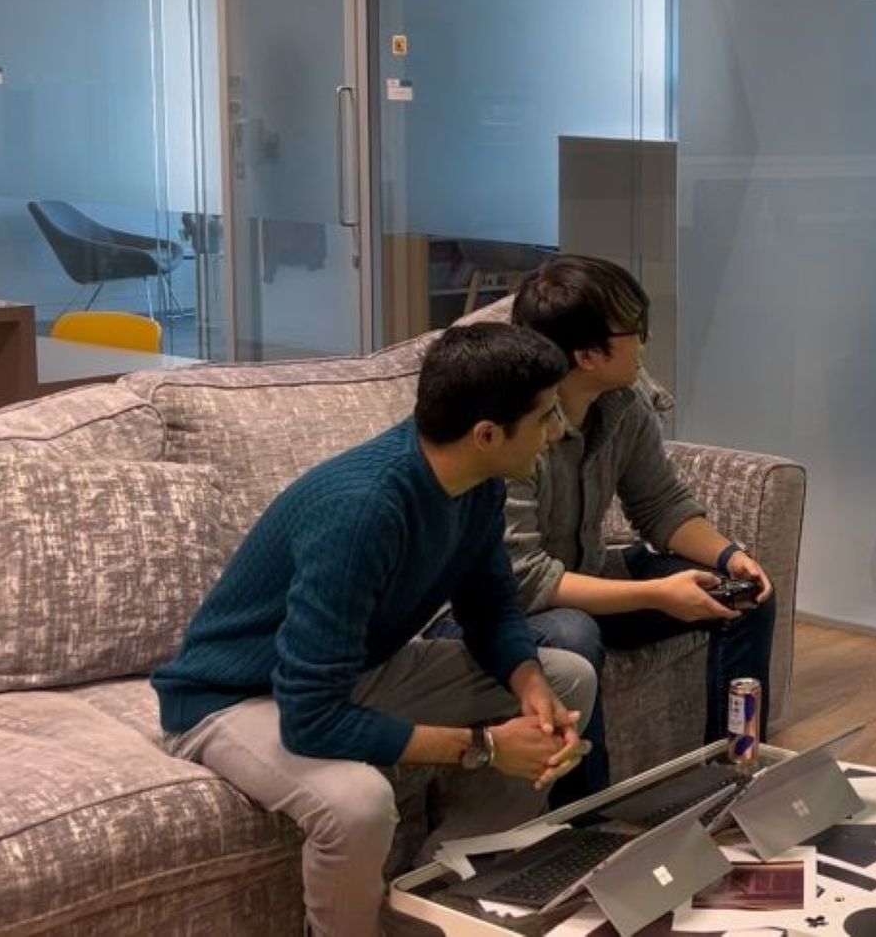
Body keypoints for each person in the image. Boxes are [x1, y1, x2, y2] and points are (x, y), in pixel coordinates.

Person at [153, 324, 591, 937]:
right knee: (358, 803)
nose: (558, 432)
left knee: (568, 680)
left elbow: (491, 608)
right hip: (232, 697)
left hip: (347, 671)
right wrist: (486, 745)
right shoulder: (364, 512)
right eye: (546, 417)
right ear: (487, 435)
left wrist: (530, 686)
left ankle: (446, 903)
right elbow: (311, 718)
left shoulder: (480, 484)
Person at [430, 256, 776, 806]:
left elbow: (661, 505)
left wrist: (729, 556)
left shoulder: (622, 403)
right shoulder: (514, 432)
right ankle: (585, 821)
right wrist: (656, 594)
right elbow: (524, 582)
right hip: (489, 612)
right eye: (634, 332)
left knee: (742, 596)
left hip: (584, 575)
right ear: (588, 356)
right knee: (573, 634)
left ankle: (730, 776)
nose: (643, 343)